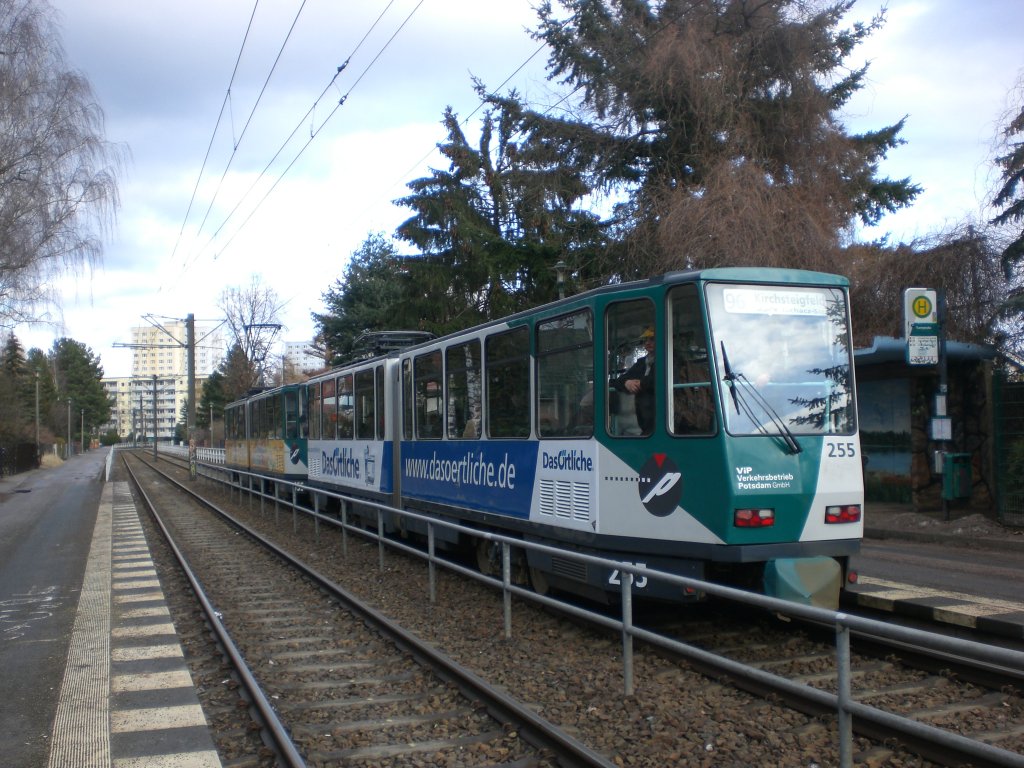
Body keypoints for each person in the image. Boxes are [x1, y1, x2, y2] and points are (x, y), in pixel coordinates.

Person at [613, 326, 656, 434]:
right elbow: (617, 381)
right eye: (645, 340)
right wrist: (626, 383)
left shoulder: (672, 358)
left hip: (665, 417)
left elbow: (660, 380)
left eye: (652, 339)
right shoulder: (642, 362)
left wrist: (641, 383)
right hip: (644, 419)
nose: (647, 343)